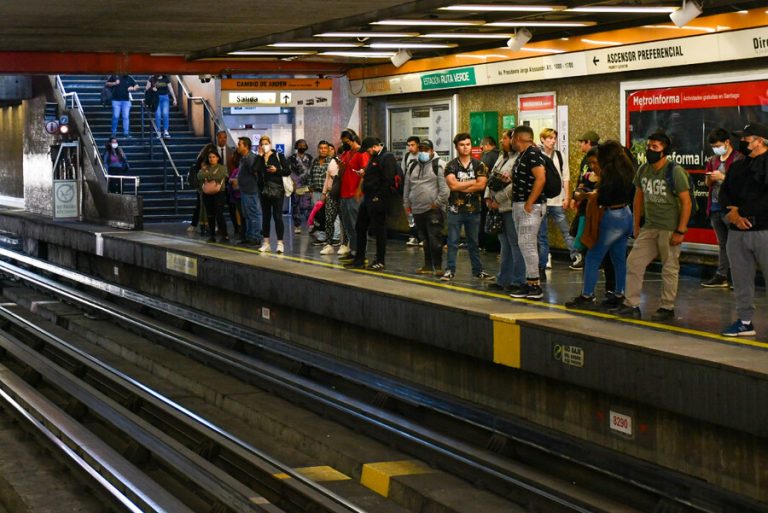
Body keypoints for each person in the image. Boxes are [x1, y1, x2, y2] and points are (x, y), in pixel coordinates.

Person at [615, 132, 692, 320]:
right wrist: (636, 225)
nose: (650, 150)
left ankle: (667, 306)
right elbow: (638, 198)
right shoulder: (643, 170)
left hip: (669, 228)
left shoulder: (674, 171)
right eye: (648, 146)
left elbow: (686, 202)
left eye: (655, 147)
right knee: (634, 262)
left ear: (665, 150)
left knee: (669, 267)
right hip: (650, 226)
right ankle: (631, 303)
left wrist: (680, 230)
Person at [565, 141, 634, 309]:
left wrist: (588, 195)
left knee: (593, 256)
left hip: (611, 217)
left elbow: (603, 198)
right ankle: (619, 293)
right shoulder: (628, 169)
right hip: (626, 214)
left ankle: (587, 295)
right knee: (619, 258)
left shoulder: (610, 175)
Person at [719, 123, 768, 337]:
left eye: (746, 138)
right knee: (740, 280)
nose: (742, 142)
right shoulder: (738, 166)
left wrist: (741, 213)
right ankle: (745, 321)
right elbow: (724, 193)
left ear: (760, 141)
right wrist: (733, 216)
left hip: (764, 230)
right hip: (737, 233)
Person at [441, 132, 491, 282]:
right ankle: (450, 270)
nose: (465, 147)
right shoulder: (450, 165)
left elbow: (482, 185)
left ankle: (478, 270)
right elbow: (453, 185)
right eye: (462, 145)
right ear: (456, 147)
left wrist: (461, 185)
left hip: (474, 209)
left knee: (473, 242)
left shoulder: (479, 165)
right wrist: (472, 182)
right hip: (455, 209)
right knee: (453, 241)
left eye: (468, 144)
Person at [506, 126, 548, 300]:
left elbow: (541, 178)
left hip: (530, 205)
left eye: (512, 138)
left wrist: (530, 202)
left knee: (528, 244)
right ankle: (528, 282)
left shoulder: (532, 153)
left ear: (518, 139)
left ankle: (535, 285)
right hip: (520, 204)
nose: (510, 141)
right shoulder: (522, 156)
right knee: (524, 244)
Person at [344, 137, 397, 271]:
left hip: (377, 199)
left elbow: (388, 179)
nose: (367, 152)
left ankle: (380, 260)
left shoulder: (387, 157)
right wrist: (364, 173)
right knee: (360, 227)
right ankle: (359, 259)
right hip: (367, 197)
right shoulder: (374, 157)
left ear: (374, 146)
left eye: (368, 149)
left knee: (379, 230)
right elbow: (373, 174)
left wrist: (378, 197)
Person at [701, 128, 744, 288]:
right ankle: (722, 274)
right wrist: (710, 179)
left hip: (731, 208)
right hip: (715, 207)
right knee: (722, 243)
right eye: (713, 146)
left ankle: (737, 276)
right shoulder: (713, 160)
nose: (716, 149)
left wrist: (723, 177)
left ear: (727, 142)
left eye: (718, 145)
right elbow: (707, 183)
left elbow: (740, 184)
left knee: (736, 244)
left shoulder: (739, 159)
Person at [485, 130, 525, 292]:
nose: (502, 141)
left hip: (510, 206)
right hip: (497, 207)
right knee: (504, 245)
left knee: (515, 244)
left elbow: (514, 185)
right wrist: (488, 197)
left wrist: (498, 200)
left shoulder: (519, 159)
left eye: (505, 138)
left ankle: (518, 280)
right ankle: (503, 279)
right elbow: (491, 178)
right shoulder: (502, 157)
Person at [537, 128, 579, 276]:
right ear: (542, 139)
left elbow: (565, 178)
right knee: (542, 233)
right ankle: (544, 260)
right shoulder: (537, 156)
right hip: (541, 200)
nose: (552, 141)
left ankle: (575, 255)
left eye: (554, 138)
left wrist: (567, 197)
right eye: (549, 138)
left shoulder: (560, 156)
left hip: (557, 200)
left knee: (566, 230)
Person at [403, 139, 448, 275]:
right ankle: (428, 266)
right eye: (421, 149)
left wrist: (438, 203)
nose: (423, 152)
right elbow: (407, 186)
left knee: (435, 238)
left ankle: (438, 266)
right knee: (425, 240)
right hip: (417, 209)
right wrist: (406, 204)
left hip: (433, 210)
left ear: (432, 150)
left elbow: (444, 189)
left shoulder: (439, 165)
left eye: (426, 150)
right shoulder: (412, 165)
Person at [568, 130, 600, 269]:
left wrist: (580, 194)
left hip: (591, 201)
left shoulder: (594, 158)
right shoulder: (585, 158)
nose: (580, 145)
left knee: (585, 230)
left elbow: (589, 179)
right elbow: (581, 178)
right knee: (581, 228)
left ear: (588, 142)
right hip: (584, 199)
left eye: (581, 142)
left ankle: (588, 258)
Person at [256, 135, 290, 254]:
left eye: (266, 143)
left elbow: (287, 170)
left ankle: (280, 243)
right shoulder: (259, 157)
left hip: (277, 189)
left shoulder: (278, 155)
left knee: (277, 216)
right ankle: (266, 243)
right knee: (266, 216)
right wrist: (259, 156)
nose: (264, 145)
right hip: (263, 190)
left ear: (270, 143)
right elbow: (254, 169)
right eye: (262, 143)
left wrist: (277, 170)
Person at [338, 130, 369, 260]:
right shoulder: (345, 154)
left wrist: (358, 191)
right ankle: (353, 250)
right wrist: (341, 166)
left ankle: (360, 252)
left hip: (355, 194)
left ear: (353, 139)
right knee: (348, 225)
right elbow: (341, 174)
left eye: (347, 141)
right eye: (343, 141)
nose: (345, 143)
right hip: (344, 193)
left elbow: (364, 173)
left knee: (357, 224)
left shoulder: (361, 153)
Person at [236, 136, 263, 246]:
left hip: (251, 191)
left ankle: (255, 236)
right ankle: (249, 235)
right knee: (247, 214)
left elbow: (256, 172)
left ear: (246, 146)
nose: (238, 146)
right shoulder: (244, 157)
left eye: (240, 144)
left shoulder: (250, 157)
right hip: (245, 190)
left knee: (253, 214)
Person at [197, 150, 228, 243]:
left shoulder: (222, 168)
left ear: (218, 158)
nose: (211, 159)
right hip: (207, 194)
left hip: (219, 193)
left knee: (219, 214)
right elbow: (199, 176)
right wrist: (211, 175)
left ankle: (224, 234)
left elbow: (220, 176)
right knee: (210, 215)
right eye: (210, 157)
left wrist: (207, 175)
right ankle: (212, 235)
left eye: (214, 157)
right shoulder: (204, 167)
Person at [308, 140, 335, 245]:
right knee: (318, 216)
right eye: (321, 148)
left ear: (328, 150)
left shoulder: (332, 161)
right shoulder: (314, 161)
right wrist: (310, 188)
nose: (323, 150)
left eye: (325, 148)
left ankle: (334, 237)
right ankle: (321, 237)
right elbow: (310, 175)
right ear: (318, 149)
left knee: (329, 215)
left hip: (328, 193)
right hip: (316, 193)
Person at [288, 139, 313, 234]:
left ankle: (310, 224)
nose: (302, 146)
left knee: (308, 205)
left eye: (304, 145)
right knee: (296, 206)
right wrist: (293, 184)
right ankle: (297, 225)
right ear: (296, 146)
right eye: (300, 145)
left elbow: (311, 171)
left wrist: (311, 186)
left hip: (306, 185)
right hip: (296, 185)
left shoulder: (310, 158)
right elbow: (289, 172)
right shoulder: (291, 158)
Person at [105, 74, 139, 139]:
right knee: (115, 116)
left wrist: (134, 88)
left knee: (126, 117)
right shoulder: (115, 76)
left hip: (126, 101)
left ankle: (126, 133)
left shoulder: (129, 78)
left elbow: (137, 86)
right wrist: (115, 83)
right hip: (116, 100)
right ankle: (113, 133)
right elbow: (107, 83)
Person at [402, 136, 422, 246]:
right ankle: (413, 235)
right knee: (409, 213)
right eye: (409, 145)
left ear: (418, 145)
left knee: (420, 213)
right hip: (409, 187)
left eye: (412, 145)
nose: (410, 147)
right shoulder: (407, 156)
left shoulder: (422, 156)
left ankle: (421, 236)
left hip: (419, 188)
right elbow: (403, 171)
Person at [145, 75, 177, 139]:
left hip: (165, 98)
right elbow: (146, 88)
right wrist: (152, 88)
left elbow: (171, 88)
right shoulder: (152, 78)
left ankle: (165, 131)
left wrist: (174, 98)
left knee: (165, 114)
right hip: (156, 98)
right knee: (158, 115)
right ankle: (158, 131)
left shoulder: (166, 78)